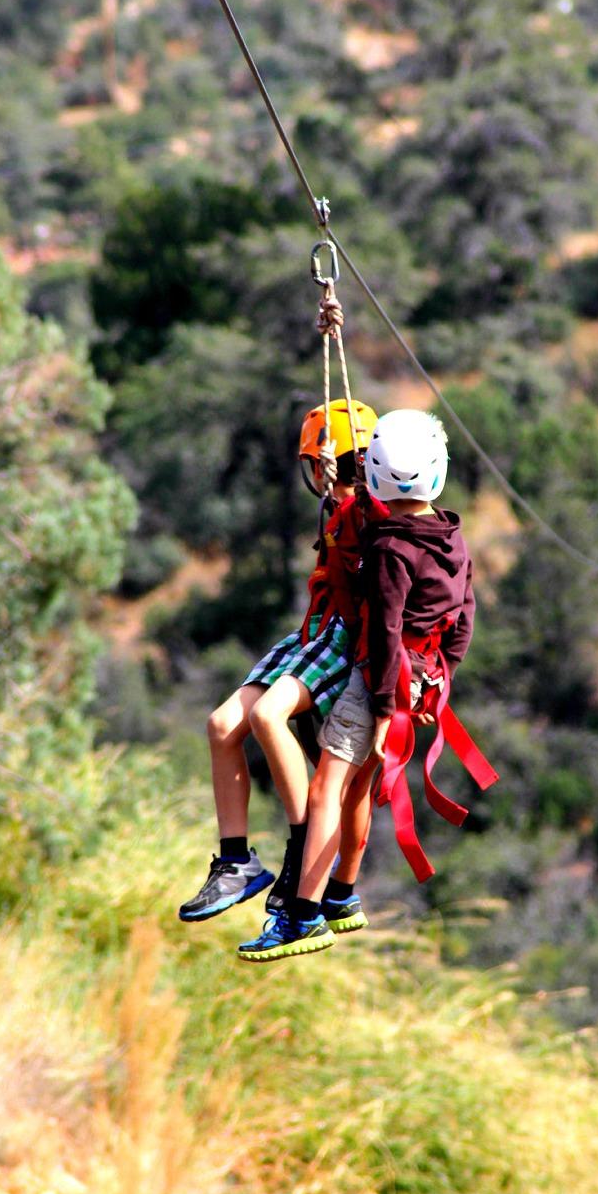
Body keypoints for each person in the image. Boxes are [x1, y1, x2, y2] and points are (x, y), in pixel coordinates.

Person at [237, 409, 476, 962]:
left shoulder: (392, 549)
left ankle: (300, 916)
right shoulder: (452, 536)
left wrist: (381, 702)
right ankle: (341, 895)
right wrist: (439, 679)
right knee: (361, 792)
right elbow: (463, 617)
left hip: (380, 683)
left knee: (325, 792)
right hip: (421, 678)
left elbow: (387, 628)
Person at [178, 397, 385, 928]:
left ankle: (300, 853)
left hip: (342, 639)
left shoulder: (368, 513)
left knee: (268, 717)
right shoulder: (342, 508)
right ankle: (235, 861)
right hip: (313, 633)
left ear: (324, 463)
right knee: (223, 725)